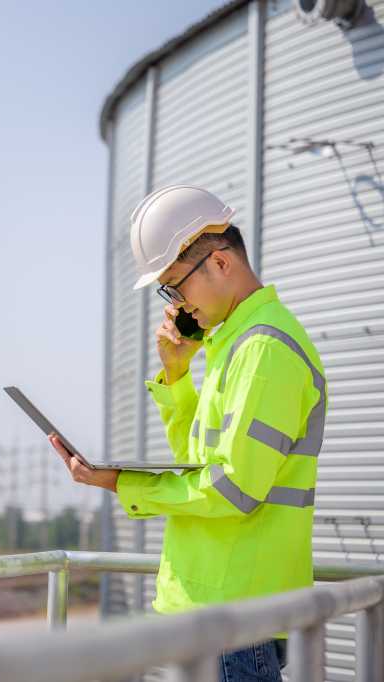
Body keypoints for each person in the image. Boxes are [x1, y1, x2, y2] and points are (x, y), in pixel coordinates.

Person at [49, 185, 326, 681]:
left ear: (220, 264)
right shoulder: (232, 346)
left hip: (235, 616)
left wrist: (119, 483)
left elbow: (231, 489)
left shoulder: (265, 350)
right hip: (212, 611)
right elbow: (197, 462)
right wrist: (177, 377)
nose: (175, 303)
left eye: (176, 286)